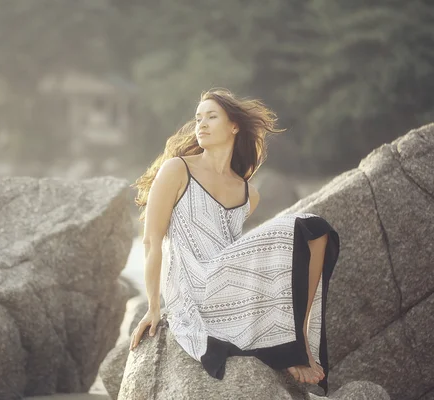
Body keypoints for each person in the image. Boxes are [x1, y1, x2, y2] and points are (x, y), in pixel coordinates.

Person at [129, 88, 340, 395]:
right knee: (299, 227)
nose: (201, 123)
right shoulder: (177, 168)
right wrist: (153, 307)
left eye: (211, 117)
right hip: (194, 287)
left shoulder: (247, 193)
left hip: (228, 281)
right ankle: (289, 348)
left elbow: (232, 246)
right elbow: (151, 240)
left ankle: (301, 340)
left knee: (317, 230)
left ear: (234, 126)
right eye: (198, 117)